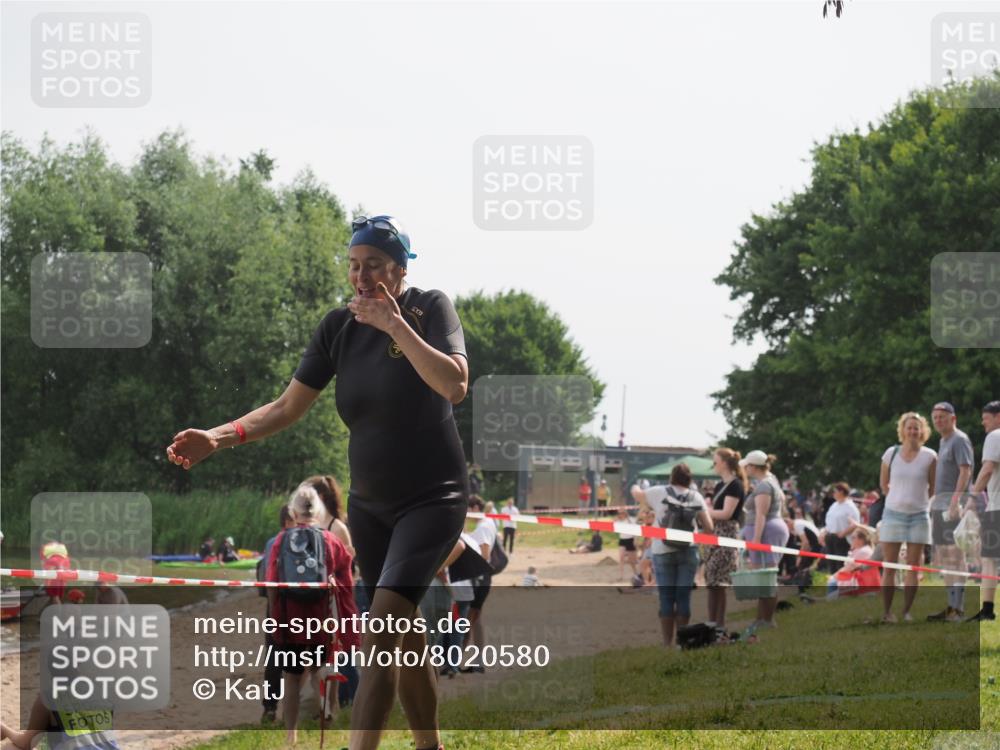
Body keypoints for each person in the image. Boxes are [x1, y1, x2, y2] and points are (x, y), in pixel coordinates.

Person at [167, 214, 468, 750]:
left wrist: (394, 326)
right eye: (353, 265)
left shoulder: (429, 308)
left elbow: (454, 384)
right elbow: (287, 407)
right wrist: (218, 436)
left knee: (381, 633)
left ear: (399, 270)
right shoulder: (337, 328)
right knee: (403, 636)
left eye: (373, 265)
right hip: (371, 509)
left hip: (433, 499)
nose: (360, 276)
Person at [265, 485, 360, 745]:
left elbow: (272, 585)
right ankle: (326, 713)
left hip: (289, 622)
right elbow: (346, 580)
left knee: (292, 679)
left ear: (293, 511)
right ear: (318, 511)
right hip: (320, 622)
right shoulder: (330, 540)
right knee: (320, 670)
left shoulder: (281, 540)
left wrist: (275, 620)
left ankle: (291, 735)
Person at [632, 463, 714, 648]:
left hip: (662, 551)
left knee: (666, 597)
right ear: (690, 479)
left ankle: (667, 643)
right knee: (683, 597)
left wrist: (635, 486)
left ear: (672, 477)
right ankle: (682, 642)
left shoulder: (658, 491)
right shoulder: (696, 496)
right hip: (689, 550)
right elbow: (709, 528)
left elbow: (637, 495)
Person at [879, 411, 937, 623]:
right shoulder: (890, 454)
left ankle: (906, 611)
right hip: (893, 514)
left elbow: (933, 487)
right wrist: (897, 499)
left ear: (922, 431)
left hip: (919, 516)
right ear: (902, 430)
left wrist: (919, 502)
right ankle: (887, 612)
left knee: (914, 566)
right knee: (890, 565)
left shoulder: (930, 456)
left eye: (916, 427)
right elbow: (884, 484)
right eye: (909, 427)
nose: (913, 431)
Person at [926, 402, 975, 622]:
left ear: (953, 418)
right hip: (940, 507)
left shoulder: (959, 439)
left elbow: (965, 471)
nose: (938, 420)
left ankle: (959, 609)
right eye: (935, 417)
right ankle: (951, 607)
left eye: (942, 417)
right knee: (944, 557)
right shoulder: (943, 441)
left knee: (956, 556)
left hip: (953, 507)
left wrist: (955, 501)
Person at [739, 450, 789, 629]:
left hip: (766, 532)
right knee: (764, 578)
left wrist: (756, 539)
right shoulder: (770, 480)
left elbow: (761, 514)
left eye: (746, 466)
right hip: (770, 529)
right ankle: (762, 619)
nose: (745, 469)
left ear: (753, 467)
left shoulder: (764, 486)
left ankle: (767, 620)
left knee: (765, 578)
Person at [258, 503, 296, 724]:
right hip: (302, 606)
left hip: (276, 607)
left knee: (274, 660)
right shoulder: (310, 539)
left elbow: (265, 579)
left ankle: (270, 708)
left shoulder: (272, 542)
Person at [703, 448, 747, 628]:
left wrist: (704, 512)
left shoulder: (735, 485)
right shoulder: (720, 485)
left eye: (715, 461)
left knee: (718, 580)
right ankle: (712, 623)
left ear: (724, 463)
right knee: (711, 580)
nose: (714, 465)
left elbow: (727, 513)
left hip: (727, 533)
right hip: (716, 533)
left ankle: (719, 624)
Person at [967, 401, 1000, 621]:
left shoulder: (995, 436)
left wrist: (972, 497)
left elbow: (987, 469)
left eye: (985, 418)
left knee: (990, 559)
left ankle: (987, 610)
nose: (982, 422)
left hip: (997, 508)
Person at [462, 497, 497, 673]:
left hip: (480, 577)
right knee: (475, 620)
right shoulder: (489, 523)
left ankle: (457, 660)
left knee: (469, 619)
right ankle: (476, 660)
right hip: (484, 577)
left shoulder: (483, 526)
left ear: (475, 507)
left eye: (468, 509)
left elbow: (484, 554)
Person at [823, 483, 861, 572]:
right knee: (831, 564)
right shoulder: (834, 505)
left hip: (842, 539)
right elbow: (829, 522)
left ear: (842, 492)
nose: (833, 493)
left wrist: (843, 533)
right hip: (830, 537)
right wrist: (824, 532)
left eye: (835, 491)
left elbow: (855, 524)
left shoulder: (850, 506)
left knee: (840, 564)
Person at [39, 540, 71, 607]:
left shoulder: (45, 548)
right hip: (65, 564)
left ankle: (58, 614)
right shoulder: (61, 548)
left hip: (52, 564)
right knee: (59, 592)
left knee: (54, 595)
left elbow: (43, 565)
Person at [616, 509, 639, 581]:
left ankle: (636, 573)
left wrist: (635, 539)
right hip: (622, 540)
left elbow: (635, 529)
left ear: (625, 513)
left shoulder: (631, 520)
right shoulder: (618, 521)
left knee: (631, 560)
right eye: (619, 513)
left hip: (630, 540)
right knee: (621, 558)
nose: (620, 514)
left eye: (622, 513)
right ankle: (621, 576)